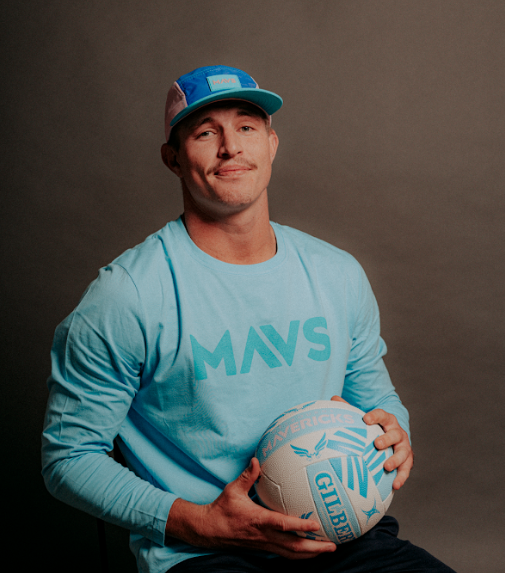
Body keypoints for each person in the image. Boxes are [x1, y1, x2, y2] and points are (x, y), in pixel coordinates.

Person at [42, 65, 454, 573]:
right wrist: (200, 523)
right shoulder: (126, 297)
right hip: (207, 552)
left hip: (342, 537)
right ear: (173, 159)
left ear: (271, 144)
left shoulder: (338, 274)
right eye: (205, 132)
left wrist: (396, 431)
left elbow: (377, 402)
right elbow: (69, 458)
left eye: (246, 126)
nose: (230, 147)